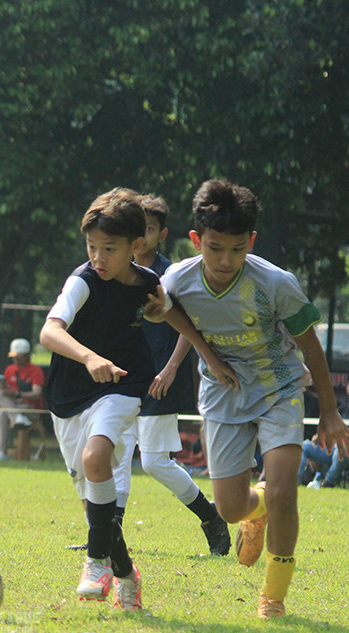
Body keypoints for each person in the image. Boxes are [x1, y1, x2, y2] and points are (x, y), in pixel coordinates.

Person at [160, 179, 349, 619]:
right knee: (229, 510)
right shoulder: (177, 279)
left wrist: (329, 410)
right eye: (214, 249)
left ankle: (274, 596)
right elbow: (168, 309)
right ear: (196, 241)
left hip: (278, 389)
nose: (225, 260)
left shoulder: (275, 283)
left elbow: (311, 346)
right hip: (222, 394)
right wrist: (208, 355)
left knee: (287, 491)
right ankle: (258, 503)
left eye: (236, 249)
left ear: (251, 241)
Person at [40, 187, 238, 610]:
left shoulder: (148, 282)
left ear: (136, 246)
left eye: (108, 248)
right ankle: (126, 574)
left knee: (98, 459)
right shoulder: (83, 280)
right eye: (91, 246)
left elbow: (171, 314)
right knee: (98, 507)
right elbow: (50, 332)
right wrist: (89, 357)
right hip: (70, 393)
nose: (98, 257)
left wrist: (209, 357)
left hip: (125, 384)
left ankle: (96, 563)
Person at [122, 195, 230, 556]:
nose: (141, 235)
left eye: (149, 229)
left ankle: (210, 516)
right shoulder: (116, 268)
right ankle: (106, 537)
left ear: (162, 234)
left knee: (153, 462)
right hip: (122, 377)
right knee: (115, 456)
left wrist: (170, 368)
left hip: (157, 378)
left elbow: (189, 325)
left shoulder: (170, 275)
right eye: (136, 227)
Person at [0, 338, 45, 461]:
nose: (15, 360)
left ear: (27, 356)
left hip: (30, 408)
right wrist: (5, 389)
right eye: (14, 357)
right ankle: (2, 451)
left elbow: (36, 394)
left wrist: (18, 395)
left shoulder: (36, 371)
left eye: (18, 357)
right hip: (14, 405)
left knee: (3, 412)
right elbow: (7, 391)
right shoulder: (10, 369)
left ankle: (17, 418)